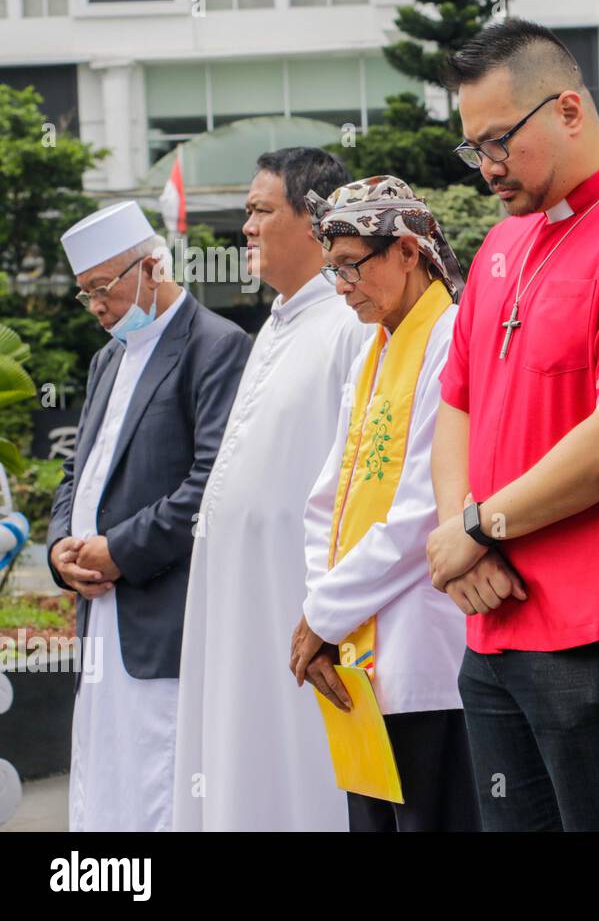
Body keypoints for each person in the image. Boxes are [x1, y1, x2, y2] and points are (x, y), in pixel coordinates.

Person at [423, 19, 599, 831]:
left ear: (569, 110)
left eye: (499, 141)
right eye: (473, 148)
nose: (487, 169)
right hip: (493, 626)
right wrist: (456, 536)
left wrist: (480, 524)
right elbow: (456, 405)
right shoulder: (501, 246)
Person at [173, 148, 369, 832]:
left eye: (259, 211)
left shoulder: (352, 325)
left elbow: (358, 483)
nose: (245, 228)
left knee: (301, 780)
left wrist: (332, 607)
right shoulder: (277, 325)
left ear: (315, 220)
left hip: (303, 610)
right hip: (239, 608)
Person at [49, 201, 251, 831]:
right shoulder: (108, 358)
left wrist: (120, 550)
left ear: (152, 265)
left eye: (103, 289)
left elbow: (214, 483)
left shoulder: (215, 346)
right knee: (101, 780)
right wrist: (61, 548)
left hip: (163, 615)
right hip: (98, 616)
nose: (98, 308)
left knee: (159, 784)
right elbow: (75, 474)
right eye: (85, 295)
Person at [288, 175, 480, 832]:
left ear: (406, 251)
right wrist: (324, 611)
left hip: (425, 653)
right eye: (332, 269)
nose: (341, 287)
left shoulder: (451, 336)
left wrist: (326, 613)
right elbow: (330, 501)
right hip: (358, 656)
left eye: (351, 266)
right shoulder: (374, 351)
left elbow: (427, 508)